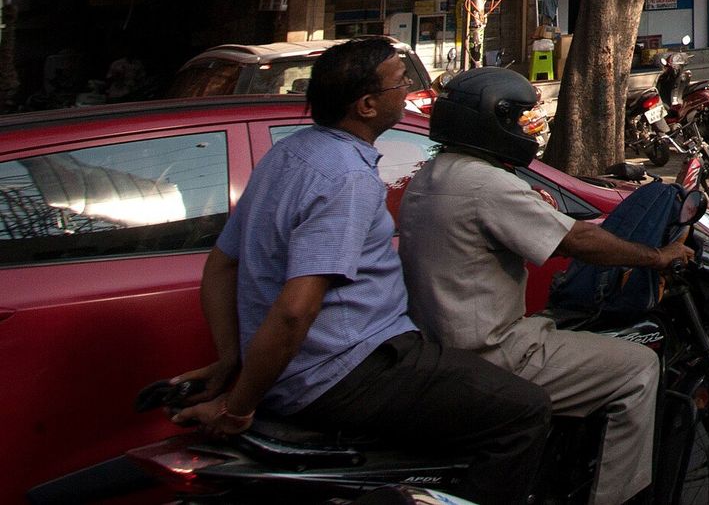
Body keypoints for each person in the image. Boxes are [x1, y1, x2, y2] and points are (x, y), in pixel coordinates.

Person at [171, 38, 549, 505]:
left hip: (325, 364)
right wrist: (238, 405)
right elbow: (295, 310)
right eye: (400, 82)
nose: (408, 89)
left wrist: (233, 360)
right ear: (368, 105)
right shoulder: (346, 177)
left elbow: (222, 265)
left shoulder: (288, 155)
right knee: (524, 412)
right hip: (349, 368)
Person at [400, 68, 694, 505]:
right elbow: (578, 241)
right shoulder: (485, 183)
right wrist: (656, 256)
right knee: (637, 368)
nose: (525, 129)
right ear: (491, 121)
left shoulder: (433, 175)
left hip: (441, 347)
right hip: (494, 350)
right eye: (516, 119)